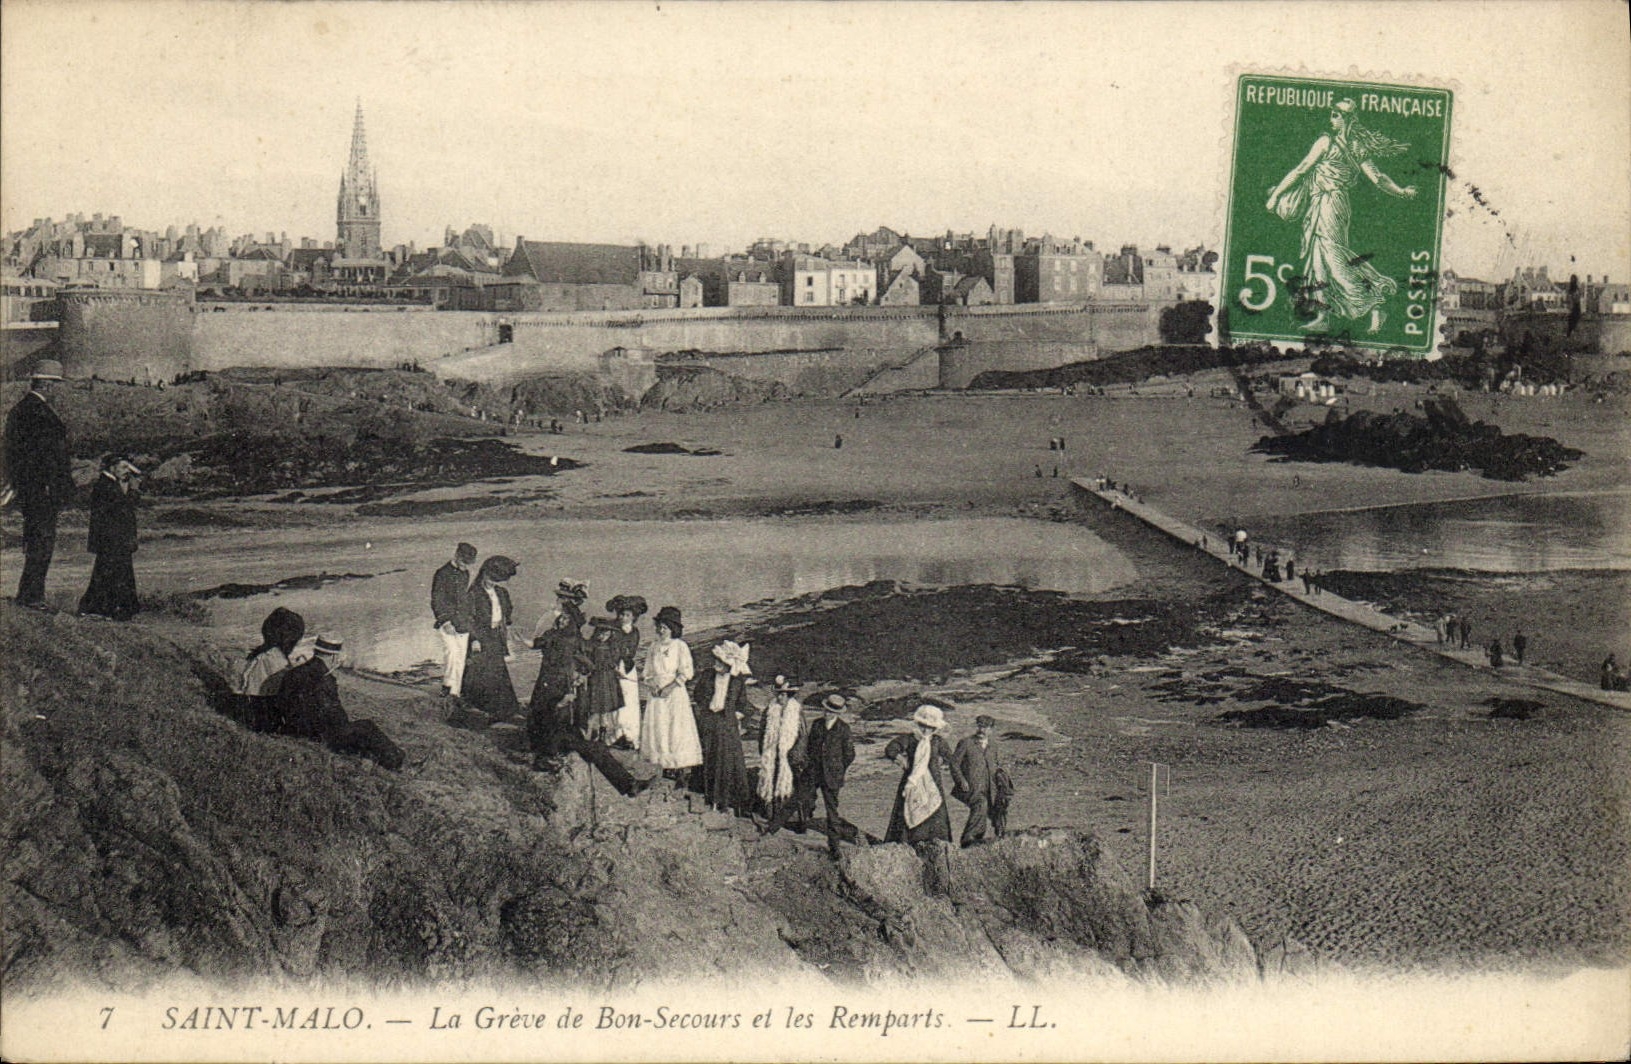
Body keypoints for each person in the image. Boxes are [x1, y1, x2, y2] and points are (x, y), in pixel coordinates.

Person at [1265, 98, 1417, 334]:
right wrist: (1402, 191)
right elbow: (1303, 167)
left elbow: (1377, 178)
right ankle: (1323, 314)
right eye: (1332, 114)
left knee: (1334, 258)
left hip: (1332, 204)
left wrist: (1402, 192)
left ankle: (1375, 303)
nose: (1331, 119)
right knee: (1318, 261)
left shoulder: (1341, 145)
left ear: (1348, 119)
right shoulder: (1337, 143)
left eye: (1336, 115)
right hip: (1320, 203)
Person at [3, 360, 73, 608]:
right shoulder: (35, 412)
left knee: (38, 541)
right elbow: (38, 456)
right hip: (41, 489)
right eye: (54, 384)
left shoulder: (20, 410)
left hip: (34, 488)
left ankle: (30, 594)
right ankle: (32, 596)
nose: (56, 389)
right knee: (41, 541)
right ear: (45, 383)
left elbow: (11, 454)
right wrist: (46, 485)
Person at [275, 635, 404, 770]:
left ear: (315, 651)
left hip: (294, 729)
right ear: (333, 657)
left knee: (358, 730)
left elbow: (282, 703)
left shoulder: (292, 673)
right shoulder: (325, 678)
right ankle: (397, 762)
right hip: (319, 735)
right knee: (366, 726)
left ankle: (373, 758)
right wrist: (345, 727)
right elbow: (334, 714)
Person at [780, 692, 858, 858]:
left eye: (831, 712)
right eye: (826, 710)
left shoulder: (844, 729)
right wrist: (808, 764)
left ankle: (834, 847)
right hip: (813, 772)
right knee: (797, 799)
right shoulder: (817, 724)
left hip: (832, 777)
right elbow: (809, 747)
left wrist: (838, 769)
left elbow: (849, 754)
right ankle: (772, 829)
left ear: (837, 713)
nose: (827, 713)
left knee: (832, 812)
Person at [884, 705, 967, 850]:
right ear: (918, 724)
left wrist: (941, 761)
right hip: (912, 780)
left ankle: (936, 843)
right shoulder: (910, 739)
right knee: (907, 810)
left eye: (929, 727)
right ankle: (906, 844)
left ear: (934, 728)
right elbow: (891, 748)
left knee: (934, 810)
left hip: (933, 782)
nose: (925, 730)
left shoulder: (938, 741)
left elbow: (950, 757)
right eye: (923, 726)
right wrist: (900, 759)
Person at [526, 581, 588, 760]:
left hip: (564, 670)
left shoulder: (572, 621)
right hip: (551, 669)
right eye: (562, 598)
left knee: (560, 708)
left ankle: (554, 746)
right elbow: (539, 640)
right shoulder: (550, 618)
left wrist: (581, 670)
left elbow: (578, 647)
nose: (563, 601)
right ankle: (541, 745)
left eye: (568, 599)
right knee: (545, 705)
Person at [690, 639, 752, 815]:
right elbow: (698, 694)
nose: (716, 663)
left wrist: (735, 717)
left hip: (727, 725)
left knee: (725, 763)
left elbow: (742, 703)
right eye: (716, 659)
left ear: (728, 664)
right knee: (707, 757)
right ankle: (706, 797)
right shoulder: (708, 675)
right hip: (709, 721)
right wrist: (706, 709)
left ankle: (724, 801)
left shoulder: (736, 681)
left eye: (720, 661)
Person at [639, 606, 702, 779]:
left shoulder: (680, 646)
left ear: (673, 629)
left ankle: (680, 767)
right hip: (657, 693)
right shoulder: (653, 646)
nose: (661, 630)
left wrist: (670, 687)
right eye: (659, 626)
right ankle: (666, 765)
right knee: (660, 727)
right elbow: (647, 672)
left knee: (676, 728)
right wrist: (651, 684)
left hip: (674, 692)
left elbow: (687, 672)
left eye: (665, 627)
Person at [78, 454, 142, 620]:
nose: (126, 471)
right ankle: (109, 609)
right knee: (112, 573)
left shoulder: (108, 483)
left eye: (127, 468)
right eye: (122, 467)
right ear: (111, 468)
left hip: (112, 539)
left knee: (110, 573)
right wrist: (133, 491)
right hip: (112, 539)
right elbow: (123, 507)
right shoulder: (106, 486)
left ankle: (106, 608)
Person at [459, 555, 520, 722]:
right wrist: (474, 639)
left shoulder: (501, 592)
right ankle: (481, 708)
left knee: (498, 670)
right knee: (480, 672)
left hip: (495, 636)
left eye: (496, 581)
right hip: (481, 636)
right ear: (483, 574)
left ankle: (505, 709)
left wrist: (507, 626)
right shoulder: (474, 594)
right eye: (490, 579)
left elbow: (507, 612)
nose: (492, 583)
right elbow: (468, 619)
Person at [236, 607, 306, 733]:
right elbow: (286, 686)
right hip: (264, 718)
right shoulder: (274, 659)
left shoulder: (263, 654)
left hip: (255, 706)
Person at [757, 675, 806, 826]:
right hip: (772, 754)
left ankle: (791, 819)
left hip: (790, 756)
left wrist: (795, 755)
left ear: (789, 695)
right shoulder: (770, 710)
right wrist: (764, 752)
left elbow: (803, 736)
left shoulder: (796, 711)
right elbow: (762, 734)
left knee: (789, 785)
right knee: (770, 781)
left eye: (784, 694)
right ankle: (771, 815)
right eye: (779, 694)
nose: (781, 697)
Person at [430, 542, 476, 699]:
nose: (465, 567)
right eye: (463, 563)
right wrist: (445, 621)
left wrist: (469, 617)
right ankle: (448, 686)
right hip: (448, 622)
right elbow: (437, 599)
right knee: (452, 653)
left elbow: (463, 599)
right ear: (456, 556)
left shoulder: (465, 573)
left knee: (461, 657)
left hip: (463, 622)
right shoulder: (442, 574)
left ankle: (455, 691)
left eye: (468, 564)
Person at [953, 714, 1003, 848]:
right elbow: (954, 764)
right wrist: (961, 780)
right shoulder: (966, 743)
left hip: (991, 787)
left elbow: (996, 765)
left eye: (985, 727)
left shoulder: (993, 745)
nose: (982, 730)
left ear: (991, 729)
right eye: (980, 726)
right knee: (980, 804)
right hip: (970, 786)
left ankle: (981, 839)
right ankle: (968, 839)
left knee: (996, 808)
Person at [605, 594, 647, 748]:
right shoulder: (612, 629)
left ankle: (629, 735)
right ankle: (615, 734)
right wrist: (613, 665)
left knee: (629, 701)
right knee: (615, 699)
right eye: (621, 614)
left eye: (627, 615)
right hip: (613, 668)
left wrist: (623, 660)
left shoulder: (635, 632)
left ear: (634, 617)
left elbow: (631, 651)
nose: (623, 617)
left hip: (627, 669)